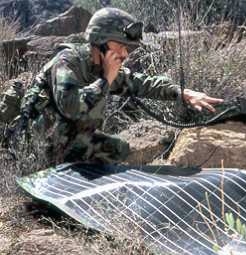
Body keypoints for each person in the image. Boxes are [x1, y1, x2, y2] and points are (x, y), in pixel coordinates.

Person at [11, 7, 223, 165]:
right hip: (38, 145)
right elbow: (70, 106)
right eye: (121, 46)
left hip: (69, 141)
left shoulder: (102, 66)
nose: (125, 54)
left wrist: (181, 93)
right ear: (100, 40)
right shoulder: (67, 62)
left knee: (118, 149)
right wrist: (105, 81)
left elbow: (141, 83)